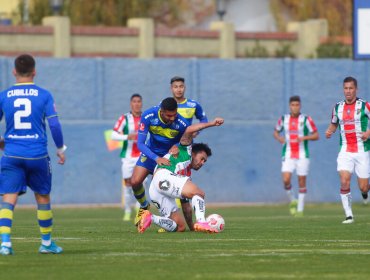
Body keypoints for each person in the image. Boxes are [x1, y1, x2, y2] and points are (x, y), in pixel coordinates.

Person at [0, 54, 66, 255]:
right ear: (34, 71)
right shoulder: (44, 95)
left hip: (11, 154)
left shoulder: (4, 96)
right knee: (43, 197)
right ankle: (46, 243)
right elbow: (54, 123)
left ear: (14, 72)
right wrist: (60, 148)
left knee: (8, 198)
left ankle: (5, 244)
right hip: (37, 155)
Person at [137, 117, 224, 233]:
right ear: (193, 153)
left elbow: (186, 206)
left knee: (180, 227)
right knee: (199, 193)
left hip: (155, 188)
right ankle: (202, 221)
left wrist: (192, 228)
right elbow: (189, 130)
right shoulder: (186, 149)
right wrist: (212, 123)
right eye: (202, 158)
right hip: (163, 176)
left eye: (205, 162)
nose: (202, 163)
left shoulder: (186, 172)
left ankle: (150, 217)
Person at [130, 97, 189, 227]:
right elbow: (140, 144)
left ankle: (166, 219)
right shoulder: (148, 115)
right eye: (169, 115)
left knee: (163, 188)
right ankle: (144, 206)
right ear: (161, 111)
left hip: (168, 159)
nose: (172, 118)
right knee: (134, 182)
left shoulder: (182, 124)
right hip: (151, 154)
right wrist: (156, 158)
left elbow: (186, 144)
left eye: (174, 115)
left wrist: (178, 146)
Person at [326, 76, 370, 224]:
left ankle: (365, 194)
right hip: (345, 150)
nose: (348, 91)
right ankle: (349, 215)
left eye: (351, 88)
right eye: (346, 88)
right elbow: (334, 124)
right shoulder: (337, 107)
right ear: (343, 89)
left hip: (362, 150)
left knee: (363, 186)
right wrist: (329, 131)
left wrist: (368, 133)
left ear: (356, 89)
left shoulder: (364, 105)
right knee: (344, 181)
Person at [273, 95, 319, 217]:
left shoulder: (306, 119)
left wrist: (304, 137)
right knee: (286, 179)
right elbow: (276, 132)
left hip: (303, 154)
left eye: (297, 105)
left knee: (301, 181)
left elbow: (316, 135)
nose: (295, 107)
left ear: (300, 106)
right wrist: (279, 138)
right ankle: (293, 200)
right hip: (288, 153)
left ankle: (300, 210)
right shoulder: (283, 119)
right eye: (292, 105)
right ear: (289, 106)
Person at [111, 93, 143, 221]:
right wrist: (126, 136)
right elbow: (113, 135)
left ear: (141, 103)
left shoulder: (145, 118)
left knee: (143, 182)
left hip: (142, 156)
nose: (136, 104)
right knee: (128, 185)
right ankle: (128, 210)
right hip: (128, 157)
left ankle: (139, 208)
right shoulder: (124, 119)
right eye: (134, 101)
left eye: (139, 101)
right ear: (131, 103)